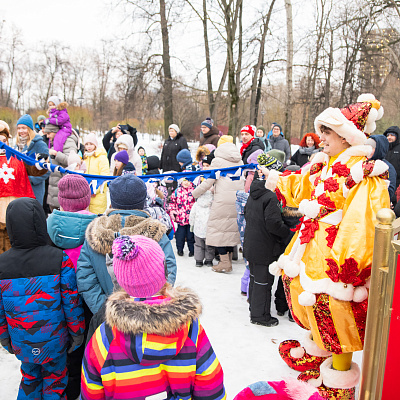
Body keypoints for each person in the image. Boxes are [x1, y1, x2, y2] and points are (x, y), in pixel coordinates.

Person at [264, 94, 388, 398]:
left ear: (345, 138)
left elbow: (363, 222)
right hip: (311, 245)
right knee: (311, 303)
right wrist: (273, 178)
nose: (320, 139)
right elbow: (301, 187)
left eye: (326, 133)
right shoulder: (325, 163)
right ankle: (317, 353)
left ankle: (340, 378)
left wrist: (346, 263)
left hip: (335, 253)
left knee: (337, 311)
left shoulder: (363, 173)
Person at [81, 235, 226, 400]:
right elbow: (211, 389)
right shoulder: (191, 331)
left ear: (121, 280)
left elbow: (91, 393)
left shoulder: (104, 338)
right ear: (163, 272)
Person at [0, 197, 85, 400]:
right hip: (55, 340)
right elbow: (71, 302)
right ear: (40, 222)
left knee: (29, 379)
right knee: (55, 382)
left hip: (22, 340)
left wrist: (4, 338)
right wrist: (77, 332)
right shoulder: (58, 258)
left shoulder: (2, 264)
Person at [76, 174, 177, 315]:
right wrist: (152, 305)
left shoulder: (95, 232)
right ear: (143, 202)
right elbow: (168, 269)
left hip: (109, 315)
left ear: (112, 201)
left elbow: (86, 279)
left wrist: (105, 311)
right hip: (150, 314)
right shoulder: (155, 231)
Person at [46, 175, 96, 399]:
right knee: (86, 341)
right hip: (88, 295)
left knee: (65, 342)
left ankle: (66, 385)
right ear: (87, 199)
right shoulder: (97, 227)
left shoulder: (47, 226)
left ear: (61, 200)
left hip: (56, 294)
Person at [243, 171, 290, 327]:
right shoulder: (270, 197)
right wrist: (287, 234)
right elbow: (273, 223)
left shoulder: (253, 194)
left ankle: (254, 309)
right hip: (265, 246)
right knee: (263, 282)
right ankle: (260, 316)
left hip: (252, 244)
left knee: (255, 279)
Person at [193, 142, 244, 273]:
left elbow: (209, 181)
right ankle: (229, 259)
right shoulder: (240, 161)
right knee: (230, 230)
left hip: (221, 200)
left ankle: (224, 263)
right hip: (237, 199)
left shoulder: (218, 162)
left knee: (219, 231)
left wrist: (195, 193)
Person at [0, 121, 48, 254]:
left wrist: (42, 162)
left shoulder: (17, 158)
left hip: (14, 214)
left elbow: (34, 169)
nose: (2, 145)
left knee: (14, 246)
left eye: (4, 141)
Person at [15, 114, 50, 204]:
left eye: (24, 128)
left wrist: (31, 179)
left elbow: (48, 168)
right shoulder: (16, 146)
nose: (21, 131)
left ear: (30, 129)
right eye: (19, 128)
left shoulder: (39, 144)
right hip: (17, 189)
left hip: (34, 190)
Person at [47, 124, 79, 211]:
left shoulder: (69, 141)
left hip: (64, 189)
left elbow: (71, 161)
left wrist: (56, 154)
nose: (47, 136)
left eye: (49, 133)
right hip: (53, 189)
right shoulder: (54, 142)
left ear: (55, 132)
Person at [83, 132, 109, 214]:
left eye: (91, 144)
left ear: (95, 145)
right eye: (86, 144)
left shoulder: (102, 158)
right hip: (85, 195)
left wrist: (94, 190)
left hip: (98, 195)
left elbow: (104, 176)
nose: (89, 146)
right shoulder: (85, 158)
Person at [168, 178, 196, 256]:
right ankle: (180, 250)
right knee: (180, 236)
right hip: (180, 218)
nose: (186, 182)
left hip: (191, 218)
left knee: (191, 236)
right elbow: (172, 202)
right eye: (184, 180)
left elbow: (197, 202)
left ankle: (192, 250)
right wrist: (172, 210)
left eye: (188, 180)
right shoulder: (177, 191)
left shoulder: (194, 190)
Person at [366, 135, 397, 202]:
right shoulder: (362, 164)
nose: (367, 151)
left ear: (379, 149)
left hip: (377, 204)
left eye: (371, 148)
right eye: (366, 147)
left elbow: (389, 191)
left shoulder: (387, 167)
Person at [383, 126, 400, 193]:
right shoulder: (383, 148)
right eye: (388, 135)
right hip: (384, 181)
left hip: (397, 183)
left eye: (392, 135)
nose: (389, 137)